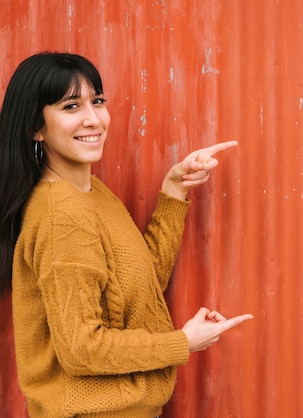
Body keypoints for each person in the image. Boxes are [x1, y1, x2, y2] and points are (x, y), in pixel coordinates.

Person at [0, 52, 253, 417]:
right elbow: (82, 348)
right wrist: (183, 342)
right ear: (35, 127)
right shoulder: (61, 216)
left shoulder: (90, 193)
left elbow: (138, 285)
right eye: (71, 106)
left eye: (97, 101)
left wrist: (173, 191)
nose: (94, 119)